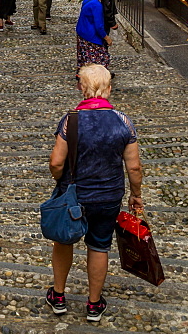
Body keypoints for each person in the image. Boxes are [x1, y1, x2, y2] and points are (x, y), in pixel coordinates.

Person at [45, 64, 143, 322]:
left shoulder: (71, 121)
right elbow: (133, 166)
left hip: (75, 196)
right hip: (109, 196)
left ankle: (58, 296)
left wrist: (62, 181)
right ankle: (94, 304)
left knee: (64, 240)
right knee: (99, 246)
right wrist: (136, 195)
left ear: (82, 88)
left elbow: (56, 162)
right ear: (109, 89)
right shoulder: (124, 122)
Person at [76, 0, 112, 74]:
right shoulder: (96, 5)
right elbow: (99, 26)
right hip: (90, 35)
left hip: (82, 31)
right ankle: (97, 76)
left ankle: (82, 73)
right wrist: (107, 38)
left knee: (84, 55)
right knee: (100, 57)